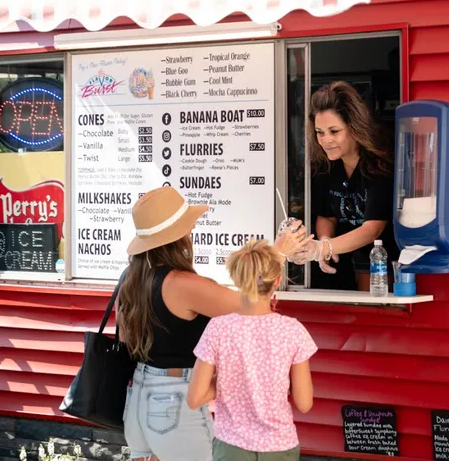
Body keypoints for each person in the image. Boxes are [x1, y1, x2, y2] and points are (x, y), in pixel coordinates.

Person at [118, 186, 311, 461]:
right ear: (180, 236)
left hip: (137, 396)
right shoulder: (181, 283)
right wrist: (276, 254)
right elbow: (254, 304)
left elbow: (126, 337)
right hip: (175, 401)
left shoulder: (130, 278)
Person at [187, 239, 317, 461]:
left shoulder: (218, 328)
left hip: (231, 446)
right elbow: (304, 403)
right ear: (277, 281)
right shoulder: (292, 330)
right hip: (280, 446)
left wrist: (228, 380)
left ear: (238, 280)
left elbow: (195, 398)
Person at [293, 81, 399, 292]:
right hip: (343, 262)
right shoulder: (325, 166)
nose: (326, 140)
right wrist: (324, 243)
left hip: (384, 260)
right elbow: (326, 216)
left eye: (334, 131)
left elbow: (372, 229)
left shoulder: (378, 164)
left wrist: (323, 247)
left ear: (354, 128)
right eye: (320, 132)